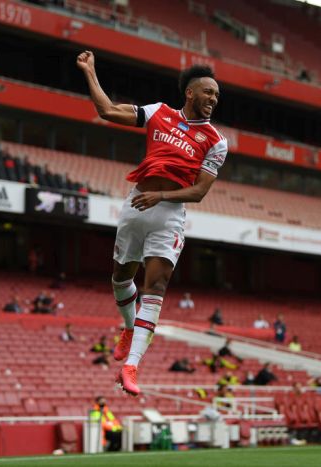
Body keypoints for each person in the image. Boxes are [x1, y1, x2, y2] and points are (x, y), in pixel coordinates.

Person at [78, 50, 228, 397]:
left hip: (168, 214)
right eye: (208, 92)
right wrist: (90, 72)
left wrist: (161, 198)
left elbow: (199, 192)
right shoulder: (158, 113)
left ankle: (130, 367)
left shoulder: (216, 142)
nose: (213, 99)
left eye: (217, 96)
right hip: (136, 205)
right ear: (190, 92)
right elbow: (107, 110)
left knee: (155, 287)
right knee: (120, 278)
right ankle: (129, 328)